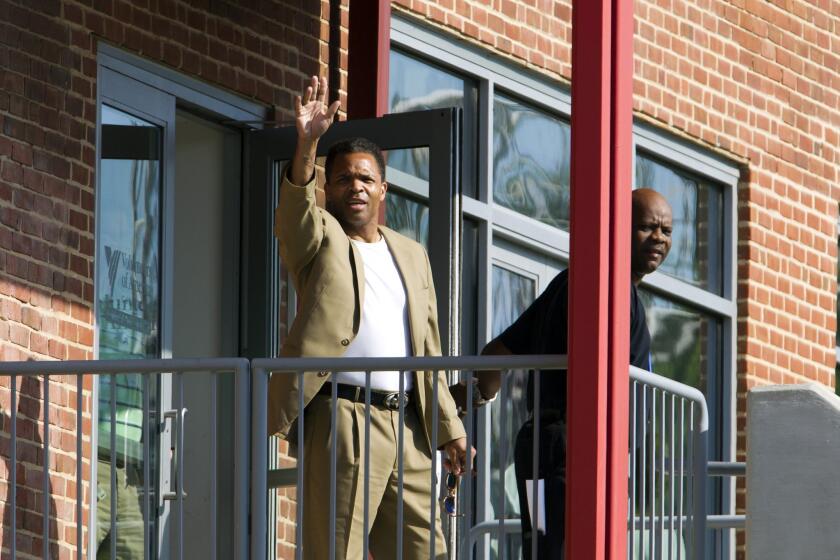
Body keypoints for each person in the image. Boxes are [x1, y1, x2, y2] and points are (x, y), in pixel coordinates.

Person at [266, 76, 468, 560]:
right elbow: (294, 220)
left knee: (429, 552)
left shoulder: (412, 254)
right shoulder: (321, 241)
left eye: (364, 178)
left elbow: (429, 351)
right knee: (337, 550)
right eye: (342, 179)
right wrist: (308, 142)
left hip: (409, 427)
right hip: (344, 416)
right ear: (328, 189)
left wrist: (450, 430)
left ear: (382, 188)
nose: (354, 186)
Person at [473, 188, 673, 559]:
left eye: (667, 230)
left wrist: (470, 399)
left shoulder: (583, 281)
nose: (659, 237)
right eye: (647, 227)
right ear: (618, 227)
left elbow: (498, 353)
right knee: (559, 549)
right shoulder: (600, 285)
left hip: (552, 448)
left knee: (547, 551)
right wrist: (456, 410)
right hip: (570, 450)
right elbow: (498, 353)